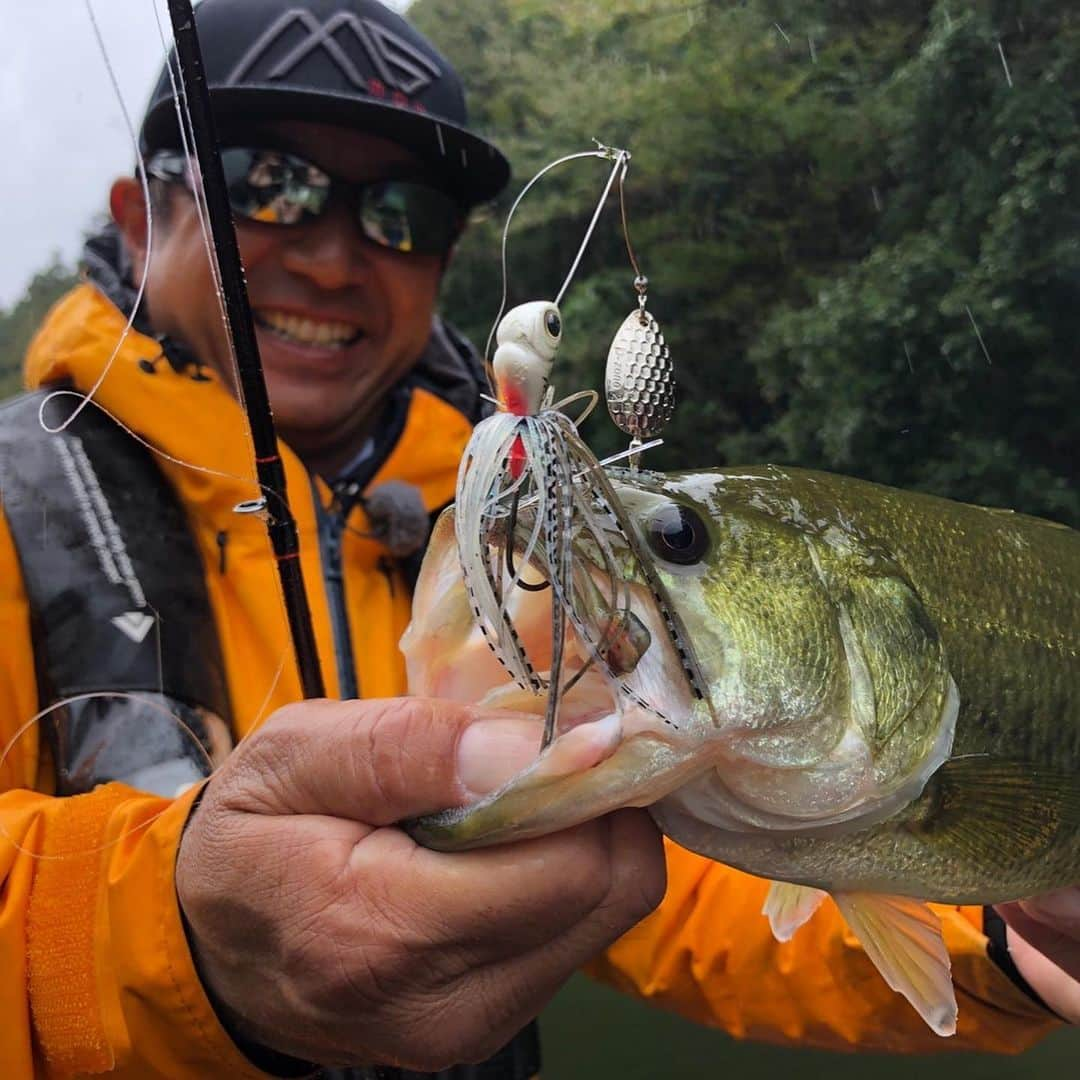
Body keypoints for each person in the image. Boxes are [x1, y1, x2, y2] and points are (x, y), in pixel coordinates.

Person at [0, 0, 1075, 1076]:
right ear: (142, 219)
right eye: (264, 185)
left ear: (450, 255)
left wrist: (1009, 946)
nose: (332, 259)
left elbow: (672, 887)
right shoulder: (17, 510)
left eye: (402, 213)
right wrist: (165, 944)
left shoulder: (521, 559)